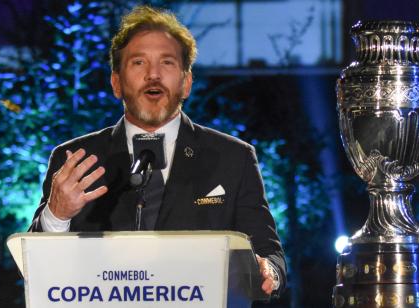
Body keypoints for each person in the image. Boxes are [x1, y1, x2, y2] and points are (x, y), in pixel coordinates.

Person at [29, 5, 286, 296]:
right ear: (116, 83)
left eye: (167, 63)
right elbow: (37, 271)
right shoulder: (75, 159)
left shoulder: (234, 158)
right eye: (138, 63)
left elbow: (271, 258)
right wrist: (57, 216)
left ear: (186, 83)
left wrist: (268, 272)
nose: (153, 75)